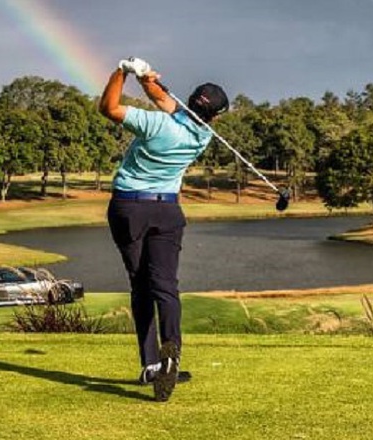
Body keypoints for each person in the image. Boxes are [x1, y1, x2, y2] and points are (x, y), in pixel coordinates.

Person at [99, 57, 228, 402]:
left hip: (129, 208)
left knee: (140, 286)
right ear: (214, 116)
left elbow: (108, 108)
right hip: (167, 210)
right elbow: (164, 100)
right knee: (166, 287)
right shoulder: (203, 134)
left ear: (191, 100)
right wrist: (147, 79)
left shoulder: (155, 125)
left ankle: (151, 364)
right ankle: (172, 353)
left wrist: (122, 72)